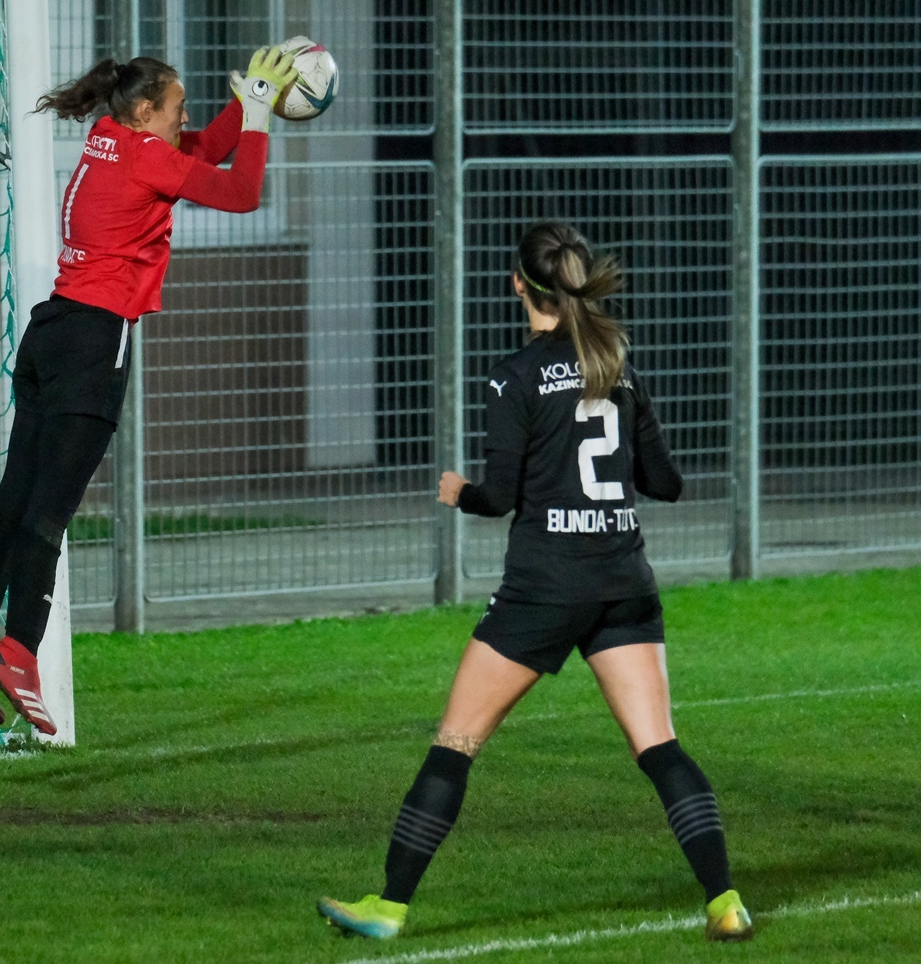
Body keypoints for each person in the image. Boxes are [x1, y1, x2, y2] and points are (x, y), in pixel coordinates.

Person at [316, 223, 752, 942]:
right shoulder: (617, 364)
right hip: (622, 582)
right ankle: (724, 900)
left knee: (454, 744)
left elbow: (500, 496)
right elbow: (667, 483)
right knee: (660, 748)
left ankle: (388, 907)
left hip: (544, 589)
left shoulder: (514, 376)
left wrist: (459, 492)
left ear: (518, 284)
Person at [0, 48, 300, 734]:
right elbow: (241, 193)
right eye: (177, 107)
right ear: (145, 111)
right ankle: (20, 652)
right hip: (96, 338)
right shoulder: (146, 156)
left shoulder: (109, 138)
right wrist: (257, 118)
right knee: (51, 510)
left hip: (48, 333)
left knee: (14, 498)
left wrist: (249, 108)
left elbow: (200, 152)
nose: (186, 117)